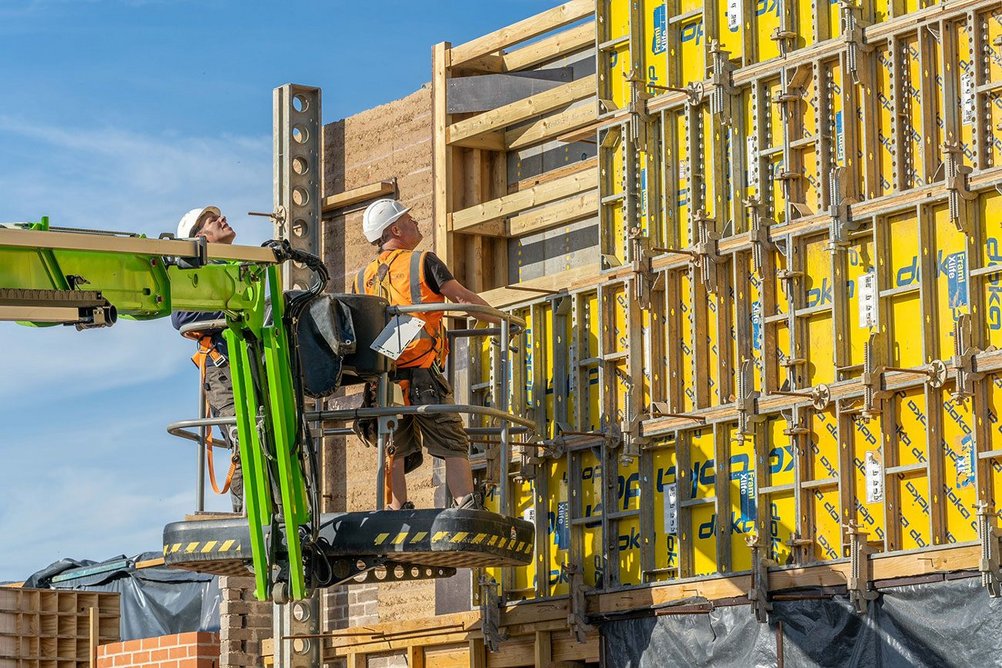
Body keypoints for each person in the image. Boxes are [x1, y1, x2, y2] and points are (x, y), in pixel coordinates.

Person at [354, 198, 497, 511]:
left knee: (394, 446)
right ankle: (465, 503)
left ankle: (396, 509)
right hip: (421, 371)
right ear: (395, 229)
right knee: (450, 437)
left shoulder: (362, 276)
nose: (415, 223)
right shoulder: (422, 261)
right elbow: (461, 298)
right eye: (409, 219)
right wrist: (504, 322)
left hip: (384, 376)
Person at [170, 206, 244, 513]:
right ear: (200, 236)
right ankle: (249, 517)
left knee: (270, 438)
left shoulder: (238, 266)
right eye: (212, 220)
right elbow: (181, 317)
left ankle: (274, 512)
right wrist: (233, 309)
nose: (222, 219)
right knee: (246, 440)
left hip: (250, 363)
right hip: (223, 367)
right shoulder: (193, 273)